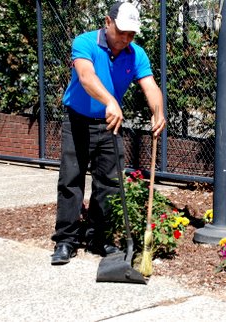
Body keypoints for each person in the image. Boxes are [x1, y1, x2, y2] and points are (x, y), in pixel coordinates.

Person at [51, 1, 165, 265]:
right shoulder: (85, 42)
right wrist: (110, 101)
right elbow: (86, 76)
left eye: (132, 33)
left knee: (110, 184)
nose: (126, 38)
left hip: (110, 124)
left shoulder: (136, 54)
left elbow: (150, 86)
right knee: (71, 180)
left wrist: (158, 111)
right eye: (122, 31)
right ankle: (65, 241)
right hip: (78, 120)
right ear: (108, 22)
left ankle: (98, 238)